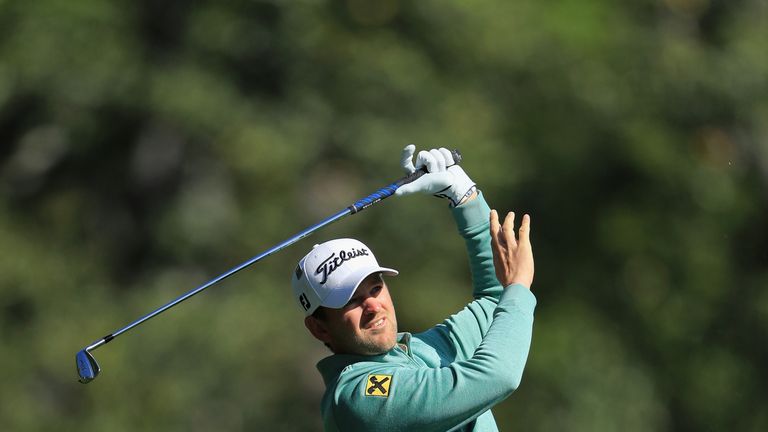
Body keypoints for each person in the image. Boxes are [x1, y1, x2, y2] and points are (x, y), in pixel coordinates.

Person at [291, 145, 536, 431]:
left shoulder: (424, 350)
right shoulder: (356, 398)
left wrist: (464, 197)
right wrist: (518, 285)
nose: (372, 306)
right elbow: (497, 376)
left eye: (375, 288)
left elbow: (498, 302)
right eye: (350, 301)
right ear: (319, 328)